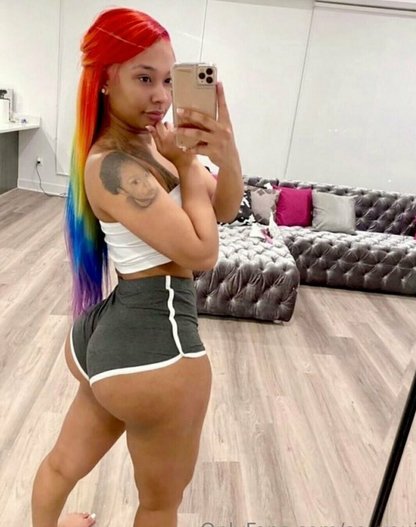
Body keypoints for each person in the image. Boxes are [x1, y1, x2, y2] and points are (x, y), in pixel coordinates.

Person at [30, 6, 243, 527]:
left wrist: (226, 147)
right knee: (159, 505)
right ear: (105, 81)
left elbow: (223, 207)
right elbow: (202, 252)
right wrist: (188, 163)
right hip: (157, 350)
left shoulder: (152, 144)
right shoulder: (113, 164)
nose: (161, 96)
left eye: (168, 80)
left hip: (112, 340)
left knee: (63, 464)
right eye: (144, 78)